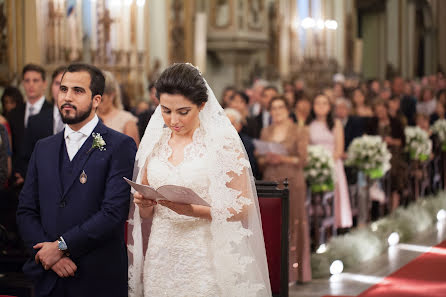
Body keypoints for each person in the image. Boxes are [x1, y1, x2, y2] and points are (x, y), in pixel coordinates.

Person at [127, 63, 271, 297]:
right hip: (161, 254)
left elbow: (244, 206)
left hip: (205, 253)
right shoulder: (154, 143)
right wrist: (143, 204)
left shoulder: (222, 144)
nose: (173, 120)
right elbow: (146, 212)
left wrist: (194, 210)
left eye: (183, 112)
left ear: (202, 106)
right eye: (166, 110)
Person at [16, 63, 137, 297]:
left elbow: (113, 212)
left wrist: (62, 246)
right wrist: (48, 255)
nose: (67, 97)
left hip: (97, 276)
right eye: (63, 89)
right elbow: (26, 210)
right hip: (49, 277)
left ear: (96, 100)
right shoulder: (43, 148)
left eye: (78, 91)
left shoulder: (119, 146)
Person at [257, 95, 311, 283]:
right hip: (271, 178)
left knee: (294, 222)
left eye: (280, 107)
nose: (277, 111)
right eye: (273, 108)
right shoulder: (266, 131)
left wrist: (283, 158)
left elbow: (303, 159)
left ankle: (295, 272)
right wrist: (267, 158)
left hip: (293, 180)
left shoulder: (299, 130)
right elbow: (260, 159)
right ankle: (274, 271)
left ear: (287, 110)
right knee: (273, 224)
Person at [309, 94, 353, 229]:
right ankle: (317, 226)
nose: (321, 106)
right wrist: (316, 163)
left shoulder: (336, 123)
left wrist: (325, 163)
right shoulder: (309, 125)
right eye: (317, 103)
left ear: (329, 107)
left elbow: (339, 150)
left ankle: (334, 226)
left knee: (333, 199)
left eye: (324, 103)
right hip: (314, 165)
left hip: (333, 164)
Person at [18, 66, 67, 179]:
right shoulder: (35, 121)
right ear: (50, 87)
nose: (61, 88)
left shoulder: (81, 119)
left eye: (66, 85)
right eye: (57, 83)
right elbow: (26, 159)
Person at [7, 64, 52, 186]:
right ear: (23, 84)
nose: (31, 84)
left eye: (35, 80)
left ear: (44, 84)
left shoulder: (54, 113)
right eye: (27, 81)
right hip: (16, 181)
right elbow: (12, 148)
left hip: (44, 180)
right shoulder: (13, 114)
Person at [367, 99, 407, 211]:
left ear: (386, 110)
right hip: (378, 153)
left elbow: (402, 142)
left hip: (394, 152)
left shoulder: (395, 122)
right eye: (377, 111)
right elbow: (368, 139)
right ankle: (377, 201)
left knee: (394, 168)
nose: (380, 113)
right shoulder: (372, 123)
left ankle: (394, 203)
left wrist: (392, 141)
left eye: (382, 110)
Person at [98, 70, 140, 146]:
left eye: (102, 100)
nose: (97, 105)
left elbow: (133, 154)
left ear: (112, 96)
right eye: (95, 100)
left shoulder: (127, 120)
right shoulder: (89, 117)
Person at [225, 107, 260, 179]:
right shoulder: (215, 142)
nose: (228, 127)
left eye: (232, 124)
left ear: (239, 126)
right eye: (225, 124)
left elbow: (252, 169)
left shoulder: (247, 143)